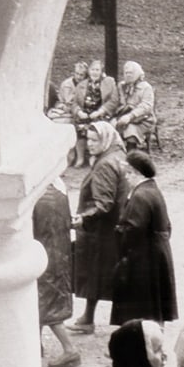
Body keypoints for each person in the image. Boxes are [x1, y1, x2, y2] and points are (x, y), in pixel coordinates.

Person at [67, 121, 129, 334]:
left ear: (105, 139)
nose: (90, 144)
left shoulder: (105, 164)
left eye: (95, 140)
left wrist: (83, 219)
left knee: (97, 272)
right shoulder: (117, 155)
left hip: (101, 231)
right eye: (88, 140)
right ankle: (88, 316)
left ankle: (96, 320)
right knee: (102, 273)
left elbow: (104, 204)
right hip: (113, 227)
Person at [109, 151, 178, 326]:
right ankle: (155, 341)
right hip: (157, 254)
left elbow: (133, 230)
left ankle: (141, 344)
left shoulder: (140, 196)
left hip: (143, 259)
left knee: (141, 306)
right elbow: (167, 226)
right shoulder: (153, 190)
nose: (126, 177)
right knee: (154, 306)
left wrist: (119, 235)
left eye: (128, 173)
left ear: (135, 172)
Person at [33, 178, 80, 367]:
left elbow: (34, 229)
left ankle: (70, 351)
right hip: (59, 251)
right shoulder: (58, 187)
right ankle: (36, 345)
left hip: (47, 253)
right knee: (42, 299)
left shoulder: (40, 196)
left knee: (48, 304)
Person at [70, 59, 118, 168]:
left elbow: (114, 101)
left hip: (101, 114)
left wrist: (100, 111)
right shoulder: (82, 84)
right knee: (79, 127)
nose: (94, 72)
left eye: (97, 70)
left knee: (97, 129)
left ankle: (96, 156)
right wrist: (79, 112)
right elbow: (74, 103)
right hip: (85, 114)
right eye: (92, 69)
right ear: (89, 71)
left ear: (101, 71)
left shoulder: (109, 82)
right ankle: (80, 158)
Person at [113, 60, 156, 151]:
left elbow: (146, 106)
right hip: (123, 115)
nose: (128, 75)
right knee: (111, 125)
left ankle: (131, 154)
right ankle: (116, 153)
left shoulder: (146, 87)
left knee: (130, 129)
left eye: (131, 73)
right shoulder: (121, 86)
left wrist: (130, 116)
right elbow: (116, 102)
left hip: (143, 119)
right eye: (126, 73)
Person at [47, 61, 88, 125]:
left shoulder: (85, 84)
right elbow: (69, 101)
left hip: (78, 108)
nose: (78, 77)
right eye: (77, 74)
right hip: (64, 107)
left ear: (85, 75)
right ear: (74, 73)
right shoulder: (67, 84)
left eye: (81, 75)